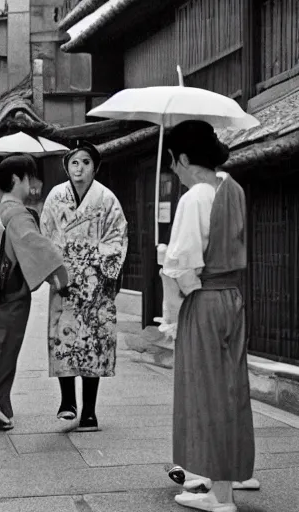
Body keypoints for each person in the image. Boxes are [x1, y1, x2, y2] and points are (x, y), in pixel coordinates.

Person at [160, 120, 253, 512]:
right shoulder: (232, 188)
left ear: (182, 158)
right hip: (233, 297)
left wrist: (168, 262)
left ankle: (221, 495)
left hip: (206, 300)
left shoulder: (194, 197)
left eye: (173, 164)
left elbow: (182, 269)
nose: (174, 172)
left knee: (205, 391)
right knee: (231, 390)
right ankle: (231, 476)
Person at [0, 154, 70, 430]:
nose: (32, 183)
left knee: (1, 343)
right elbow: (34, 246)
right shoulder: (18, 215)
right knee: (8, 347)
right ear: (16, 180)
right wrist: (60, 275)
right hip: (12, 292)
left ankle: (3, 403)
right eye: (28, 177)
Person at [40, 141, 128, 432]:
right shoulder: (56, 197)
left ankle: (89, 411)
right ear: (67, 166)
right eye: (74, 163)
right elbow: (46, 236)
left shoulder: (107, 199)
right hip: (64, 281)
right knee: (63, 339)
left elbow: (117, 237)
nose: (80, 169)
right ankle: (68, 402)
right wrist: (56, 273)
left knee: (95, 343)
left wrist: (97, 265)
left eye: (86, 162)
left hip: (97, 282)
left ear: (95, 166)